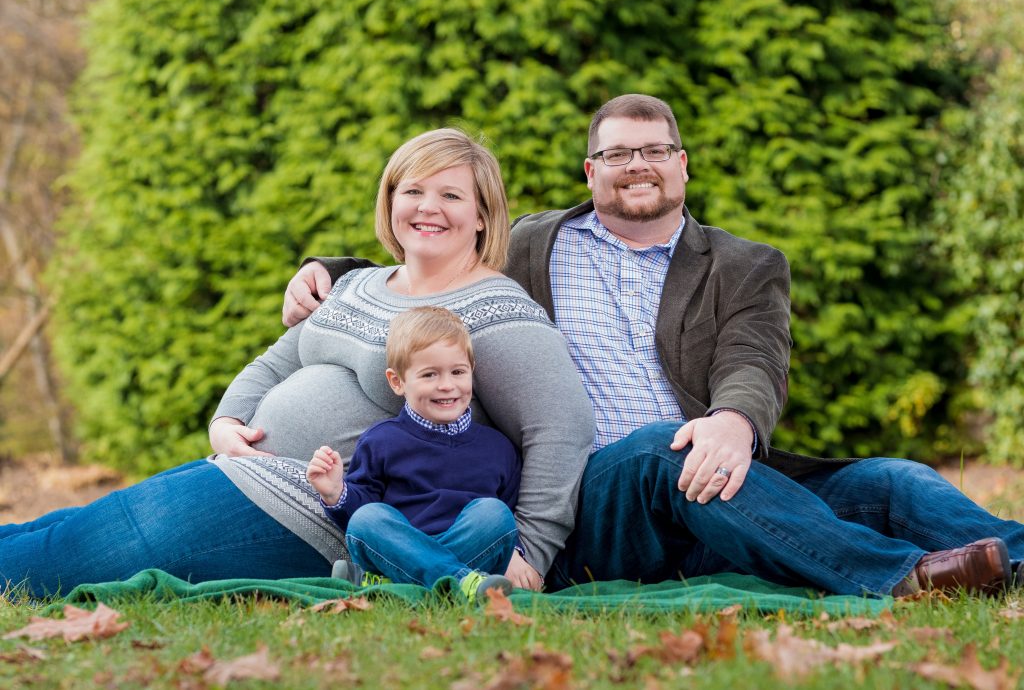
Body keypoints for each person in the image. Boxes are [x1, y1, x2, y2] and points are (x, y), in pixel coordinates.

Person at [285, 94, 1024, 598]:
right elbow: (433, 253)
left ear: (682, 164)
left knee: (891, 481)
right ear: (591, 171)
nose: (637, 164)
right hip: (590, 497)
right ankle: (902, 578)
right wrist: (333, 269)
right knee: (653, 450)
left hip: (721, 474)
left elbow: (754, 359)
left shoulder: (746, 264)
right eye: (617, 154)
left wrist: (734, 420)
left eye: (654, 150)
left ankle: (1009, 562)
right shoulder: (532, 246)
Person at [0, 129, 594, 598]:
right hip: (244, 471)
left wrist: (531, 556)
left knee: (72, 554)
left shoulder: (493, 308)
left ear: (484, 215)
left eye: (450, 195)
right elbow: (273, 362)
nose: (426, 207)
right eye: (411, 191)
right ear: (389, 202)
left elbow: (562, 429)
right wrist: (226, 422)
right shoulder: (359, 284)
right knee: (68, 527)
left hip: (316, 513)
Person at [306, 306, 520, 602]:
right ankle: (457, 583)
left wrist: (517, 554)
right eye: (429, 374)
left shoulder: (498, 448)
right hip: (398, 545)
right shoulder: (381, 440)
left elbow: (506, 521)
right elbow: (359, 516)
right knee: (369, 518)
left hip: (470, 546)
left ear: (472, 372)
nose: (446, 385)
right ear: (397, 381)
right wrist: (336, 493)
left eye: (458, 372)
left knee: (495, 513)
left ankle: (391, 584)